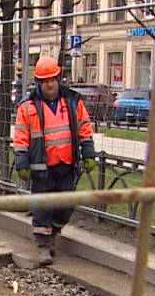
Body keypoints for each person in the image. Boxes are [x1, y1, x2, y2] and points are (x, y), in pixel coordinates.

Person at [12, 55, 96, 266]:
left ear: (58, 79)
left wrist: (88, 152)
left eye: (53, 79)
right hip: (42, 166)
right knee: (43, 206)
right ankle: (43, 246)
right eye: (45, 80)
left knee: (67, 203)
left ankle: (54, 232)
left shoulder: (73, 100)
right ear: (39, 82)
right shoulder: (28, 106)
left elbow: (85, 127)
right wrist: (21, 162)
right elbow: (21, 136)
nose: (50, 84)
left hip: (66, 163)